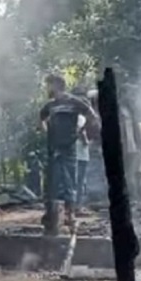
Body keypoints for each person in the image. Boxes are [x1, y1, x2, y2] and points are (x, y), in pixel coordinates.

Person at [39, 74, 98, 230]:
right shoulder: (50, 105)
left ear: (56, 85)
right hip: (53, 148)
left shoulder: (74, 102)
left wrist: (80, 131)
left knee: (69, 181)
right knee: (52, 181)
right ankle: (52, 215)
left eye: (49, 84)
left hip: (69, 147)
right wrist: (47, 132)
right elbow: (41, 118)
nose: (47, 88)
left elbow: (92, 116)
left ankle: (70, 215)